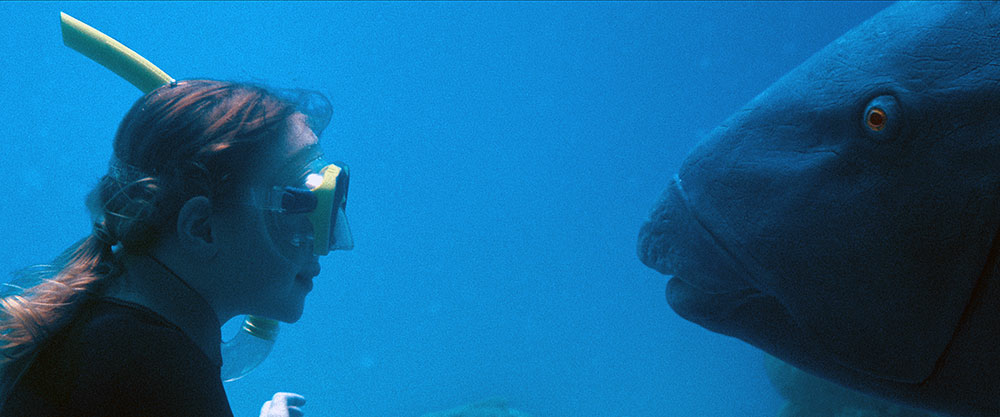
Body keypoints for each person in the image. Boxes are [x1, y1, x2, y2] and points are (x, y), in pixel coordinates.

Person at [0, 79, 352, 416]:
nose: (327, 242)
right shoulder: (155, 369)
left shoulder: (104, 335)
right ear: (201, 228)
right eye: (295, 204)